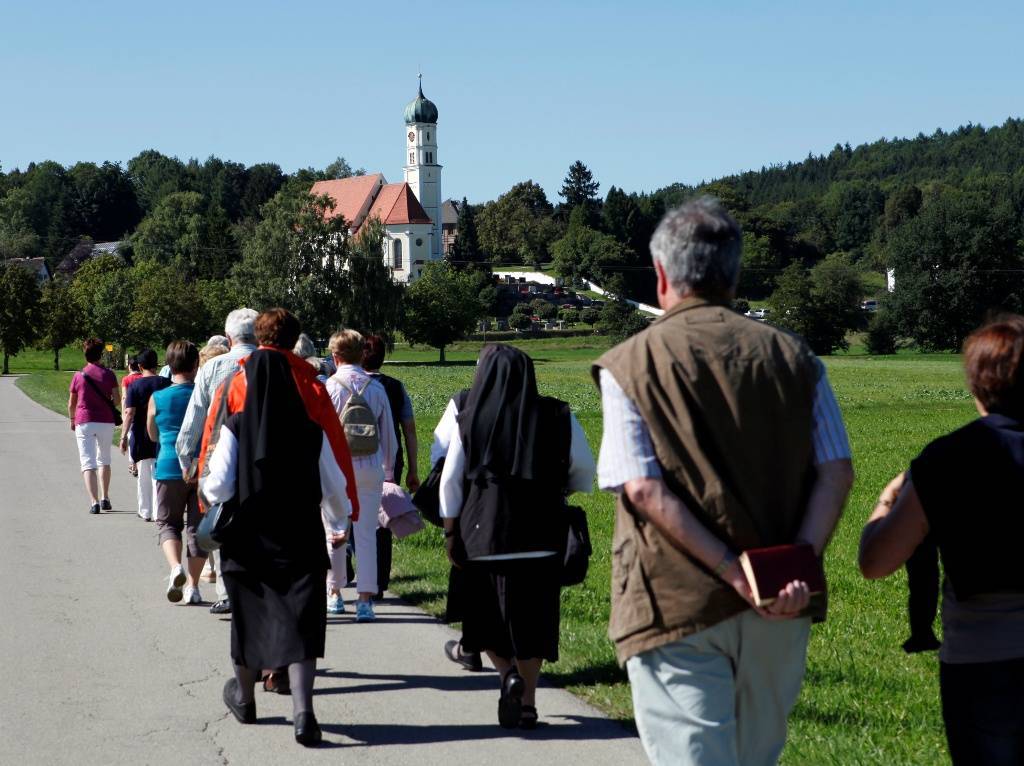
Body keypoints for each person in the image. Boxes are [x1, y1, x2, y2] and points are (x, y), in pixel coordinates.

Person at [592, 197, 854, 766]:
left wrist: (733, 574)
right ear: (734, 275)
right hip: (781, 601)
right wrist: (793, 568)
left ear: (662, 275)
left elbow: (642, 488)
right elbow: (837, 470)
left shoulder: (629, 364)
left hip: (672, 603)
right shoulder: (797, 358)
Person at [859, 315, 1024, 766]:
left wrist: (887, 499)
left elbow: (876, 562)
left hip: (983, 657)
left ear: (976, 385)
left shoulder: (948, 460)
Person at [200, 308, 358, 746]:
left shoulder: (236, 426)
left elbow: (216, 486)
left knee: (249, 616)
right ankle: (304, 711)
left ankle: (245, 699)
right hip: (300, 535)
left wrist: (222, 499)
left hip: (250, 537)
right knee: (302, 621)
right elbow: (334, 486)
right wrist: (339, 523)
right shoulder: (311, 431)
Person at [439, 343, 596, 729]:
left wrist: (450, 532)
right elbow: (585, 472)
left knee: (484, 619)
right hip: (542, 537)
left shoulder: (468, 417)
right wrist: (557, 493)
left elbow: (450, 481)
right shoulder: (558, 413)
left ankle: (506, 673)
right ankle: (527, 702)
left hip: (483, 535)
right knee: (534, 622)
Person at [176, 308, 259, 615]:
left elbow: (195, 416)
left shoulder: (214, 368)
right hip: (262, 456)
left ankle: (227, 591)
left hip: (219, 452)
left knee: (225, 518)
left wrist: (187, 456)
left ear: (228, 338)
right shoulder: (270, 364)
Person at [325, 329, 396, 621]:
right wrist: (388, 472)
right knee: (367, 533)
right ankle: (366, 599)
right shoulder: (376, 388)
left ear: (334, 355)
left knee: (335, 532)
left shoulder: (329, 387)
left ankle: (334, 593)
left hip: (336, 470)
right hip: (370, 468)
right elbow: (388, 435)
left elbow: (322, 435)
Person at [361, 334, 420, 596]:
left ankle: (356, 569)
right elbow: (409, 430)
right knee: (382, 520)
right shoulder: (395, 387)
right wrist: (413, 469)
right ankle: (380, 580)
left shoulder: (348, 384)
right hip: (389, 460)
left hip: (353, 459)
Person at [148, 341, 205, 604]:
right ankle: (193, 587)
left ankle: (175, 568)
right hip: (201, 467)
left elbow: (152, 433)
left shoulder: (158, 397)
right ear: (196, 364)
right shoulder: (204, 395)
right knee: (197, 527)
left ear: (169, 366)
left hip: (169, 465)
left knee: (168, 523)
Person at [430, 388, 483, 672]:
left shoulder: (464, 404)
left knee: (474, 578)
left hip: (474, 512)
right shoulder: (548, 410)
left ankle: (471, 646)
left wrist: (449, 528)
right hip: (532, 518)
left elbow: (442, 456)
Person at [67, 338, 121, 514]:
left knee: (87, 462)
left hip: (84, 420)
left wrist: (72, 419)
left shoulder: (78, 376)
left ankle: (94, 502)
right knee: (104, 459)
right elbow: (118, 400)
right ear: (101, 353)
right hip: (105, 420)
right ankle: (105, 497)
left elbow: (71, 403)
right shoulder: (109, 374)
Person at [120, 348, 170, 521]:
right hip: (161, 433)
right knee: (159, 474)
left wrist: (123, 437)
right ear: (156, 364)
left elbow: (129, 413)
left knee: (144, 474)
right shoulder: (166, 382)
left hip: (141, 433)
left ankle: (145, 510)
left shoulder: (134, 385)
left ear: (140, 366)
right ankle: (159, 511)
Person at [121, 356, 143, 476]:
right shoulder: (143, 377)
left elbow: (124, 397)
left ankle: (133, 463)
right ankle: (138, 462)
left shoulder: (126, 379)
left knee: (130, 437)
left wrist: (124, 413)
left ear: (129, 366)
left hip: (130, 411)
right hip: (142, 411)